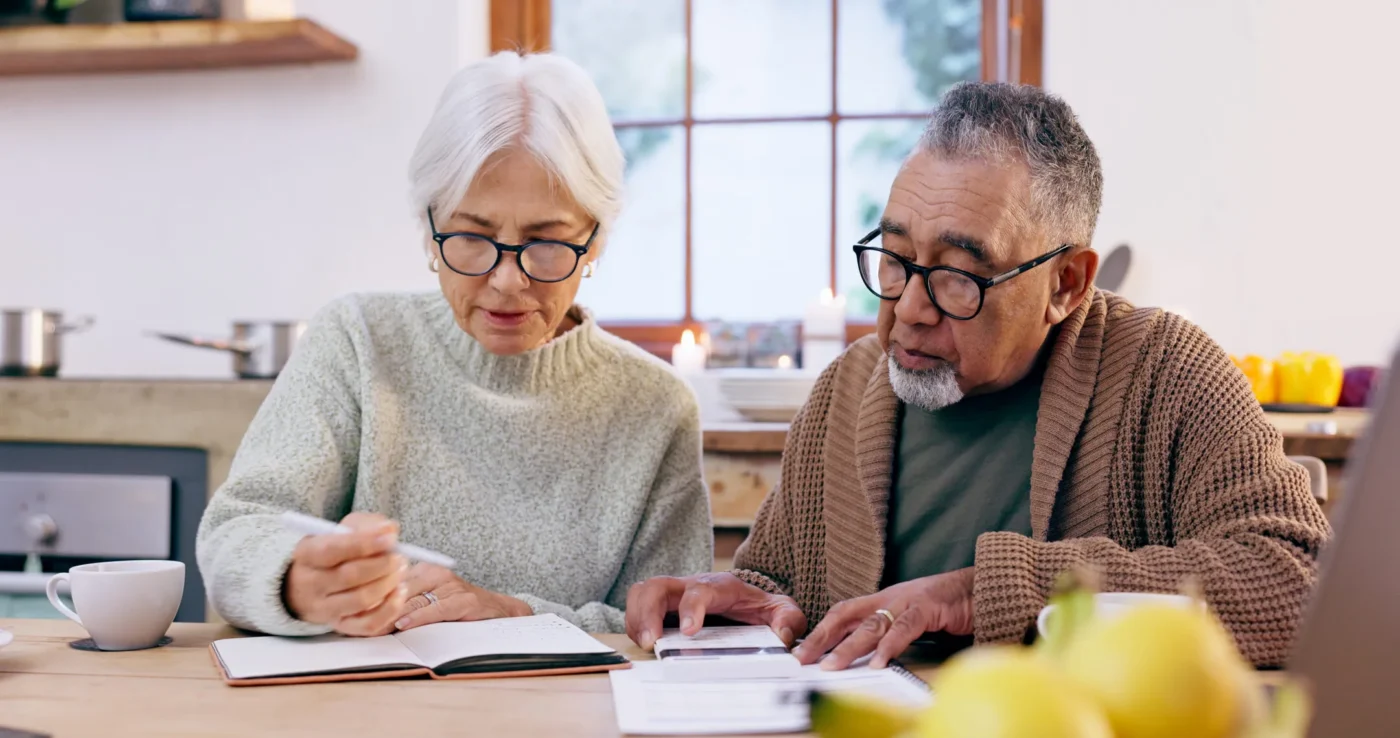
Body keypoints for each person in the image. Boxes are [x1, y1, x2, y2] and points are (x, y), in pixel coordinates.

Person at [625, 81, 1330, 669]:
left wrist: (984, 593)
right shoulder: (847, 391)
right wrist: (738, 601)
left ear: (1067, 283)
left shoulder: (1167, 374)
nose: (909, 307)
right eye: (895, 258)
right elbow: (780, 585)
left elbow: (1300, 587)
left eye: (959, 276)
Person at [197, 51, 712, 638]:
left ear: (594, 241)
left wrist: (519, 617)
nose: (507, 281)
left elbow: (668, 623)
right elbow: (236, 532)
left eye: (546, 242)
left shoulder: (655, 406)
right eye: (472, 236)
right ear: (429, 226)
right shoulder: (358, 340)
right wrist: (292, 579)